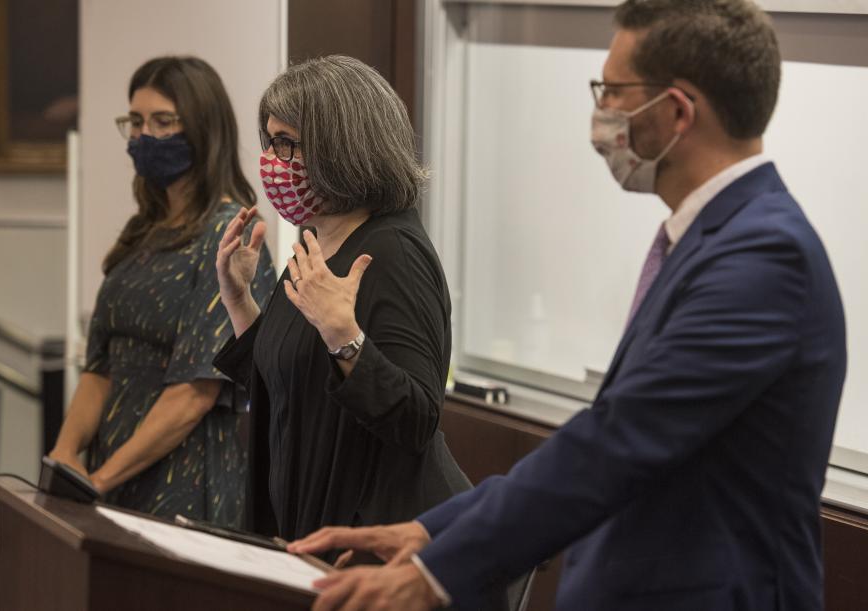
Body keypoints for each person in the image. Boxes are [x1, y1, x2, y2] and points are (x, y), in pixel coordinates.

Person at [288, 1, 848, 609]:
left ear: (678, 110)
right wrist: (434, 528)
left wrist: (437, 571)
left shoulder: (764, 258)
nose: (601, 111)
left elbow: (620, 440)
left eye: (612, 90)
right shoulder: (713, 238)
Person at [212, 56, 471, 545]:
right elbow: (292, 384)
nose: (272, 161)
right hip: (307, 521)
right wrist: (239, 301)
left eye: (287, 144)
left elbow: (416, 418)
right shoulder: (315, 240)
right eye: (270, 142)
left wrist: (343, 336)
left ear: (344, 147)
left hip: (378, 544)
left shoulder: (393, 252)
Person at [49, 56, 275, 528]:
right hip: (108, 473)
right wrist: (66, 458)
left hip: (184, 484)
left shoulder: (229, 234)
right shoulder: (141, 231)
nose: (144, 135)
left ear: (202, 129)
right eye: (135, 121)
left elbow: (195, 393)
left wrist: (100, 482)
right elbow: (100, 369)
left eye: (162, 121)